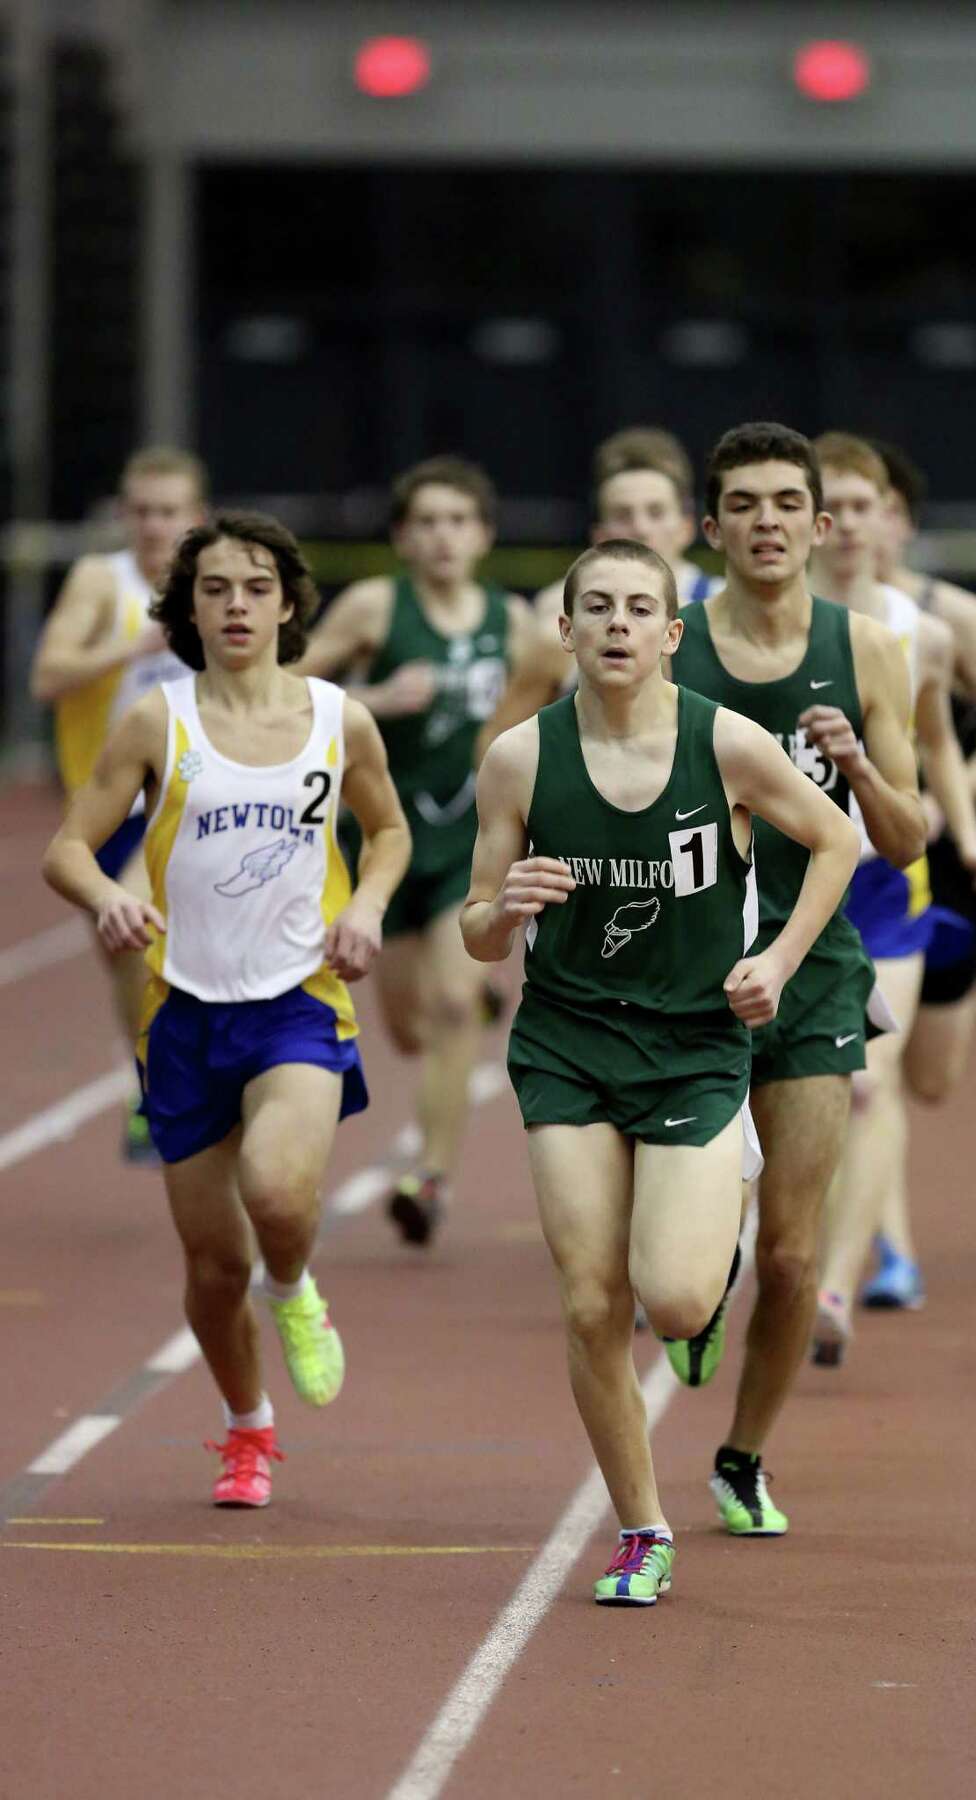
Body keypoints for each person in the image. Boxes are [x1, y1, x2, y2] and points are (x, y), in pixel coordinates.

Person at [463, 537, 859, 1602]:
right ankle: (641, 1529)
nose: (619, 624)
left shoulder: (724, 744)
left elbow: (836, 842)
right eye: (598, 606)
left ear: (672, 633)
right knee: (592, 1301)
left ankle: (714, 1228)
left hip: (691, 1046)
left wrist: (776, 961)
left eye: (641, 607)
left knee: (676, 1302)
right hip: (568, 1044)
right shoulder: (519, 758)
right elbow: (475, 930)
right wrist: (501, 911)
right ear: (568, 628)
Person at [42, 513, 409, 1506]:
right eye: (214, 588)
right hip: (186, 1015)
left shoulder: (340, 719)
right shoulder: (158, 722)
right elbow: (67, 848)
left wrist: (369, 906)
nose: (236, 604)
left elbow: (387, 831)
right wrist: (110, 894)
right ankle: (248, 1425)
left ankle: (292, 1292)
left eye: (255, 587)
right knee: (210, 1266)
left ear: (289, 604)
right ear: (187, 607)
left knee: (279, 1196)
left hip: (299, 1002)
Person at [669, 422, 924, 1499]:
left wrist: (860, 765)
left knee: (789, 1255)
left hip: (812, 962)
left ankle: (742, 1458)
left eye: (786, 503)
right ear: (710, 525)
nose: (766, 522)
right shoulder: (669, 640)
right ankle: (689, 1291)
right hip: (681, 966)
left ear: (820, 526)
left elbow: (910, 839)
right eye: (745, 504)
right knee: (691, 1268)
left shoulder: (866, 647)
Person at [297, 457, 529, 1245]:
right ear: (401, 537)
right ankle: (465, 1011)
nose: (443, 538)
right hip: (383, 838)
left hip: (471, 840)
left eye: (459, 522)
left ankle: (428, 1175)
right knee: (404, 1029)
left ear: (485, 535)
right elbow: (282, 687)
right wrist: (372, 699)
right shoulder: (373, 607)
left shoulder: (517, 622)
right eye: (426, 522)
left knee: (454, 1006)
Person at [809, 433, 976, 1346]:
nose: (850, 524)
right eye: (833, 506)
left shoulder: (920, 633)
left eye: (865, 506)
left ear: (889, 515)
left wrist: (965, 837)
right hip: (777, 890)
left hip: (889, 886)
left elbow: (939, 749)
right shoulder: (756, 625)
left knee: (867, 1082)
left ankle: (839, 1289)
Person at [31, 447, 208, 1160]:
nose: (154, 525)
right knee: (128, 953)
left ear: (195, 516)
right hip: (109, 804)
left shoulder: (216, 582)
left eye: (168, 511)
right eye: (140, 510)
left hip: (196, 796)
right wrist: (133, 647)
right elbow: (48, 674)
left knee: (156, 931)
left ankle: (184, 1082)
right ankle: (147, 1078)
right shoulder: (102, 582)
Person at [481, 427, 716, 747]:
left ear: (687, 527)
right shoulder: (558, 611)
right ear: (599, 533)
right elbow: (496, 744)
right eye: (623, 514)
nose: (641, 528)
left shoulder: (720, 603)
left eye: (656, 512)